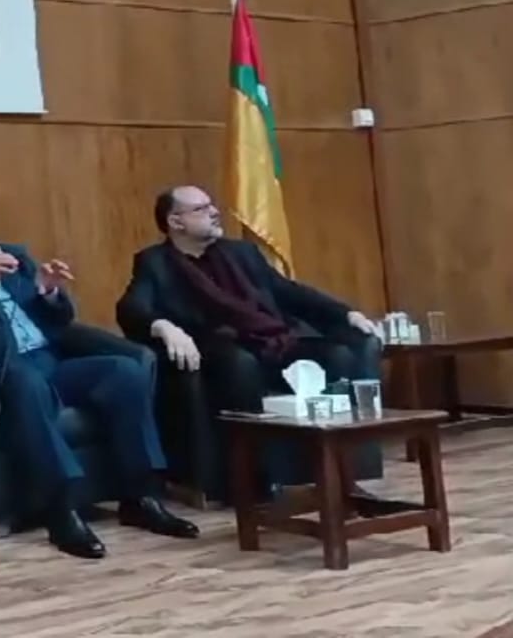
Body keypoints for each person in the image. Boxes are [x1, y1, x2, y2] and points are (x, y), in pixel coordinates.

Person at [0, 194, 197, 559]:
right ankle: (60, 510)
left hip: (50, 362)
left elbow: (61, 321)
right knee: (25, 381)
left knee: (124, 371)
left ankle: (141, 496)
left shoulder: (15, 256)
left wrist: (49, 292)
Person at [115, 185, 384, 485]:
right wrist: (163, 326)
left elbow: (288, 292)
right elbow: (131, 308)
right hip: (220, 351)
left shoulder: (242, 253)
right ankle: (256, 479)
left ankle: (343, 472)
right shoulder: (156, 263)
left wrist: (346, 314)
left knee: (338, 356)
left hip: (272, 342)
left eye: (212, 205)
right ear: (176, 222)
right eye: (201, 209)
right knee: (240, 363)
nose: (214, 212)